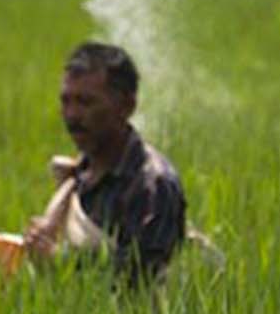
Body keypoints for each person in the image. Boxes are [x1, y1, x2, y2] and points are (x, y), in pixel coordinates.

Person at [22, 42, 187, 285]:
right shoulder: (78, 174)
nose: (72, 115)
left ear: (127, 107)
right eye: (66, 101)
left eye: (86, 102)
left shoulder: (152, 184)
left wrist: (60, 260)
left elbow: (142, 278)